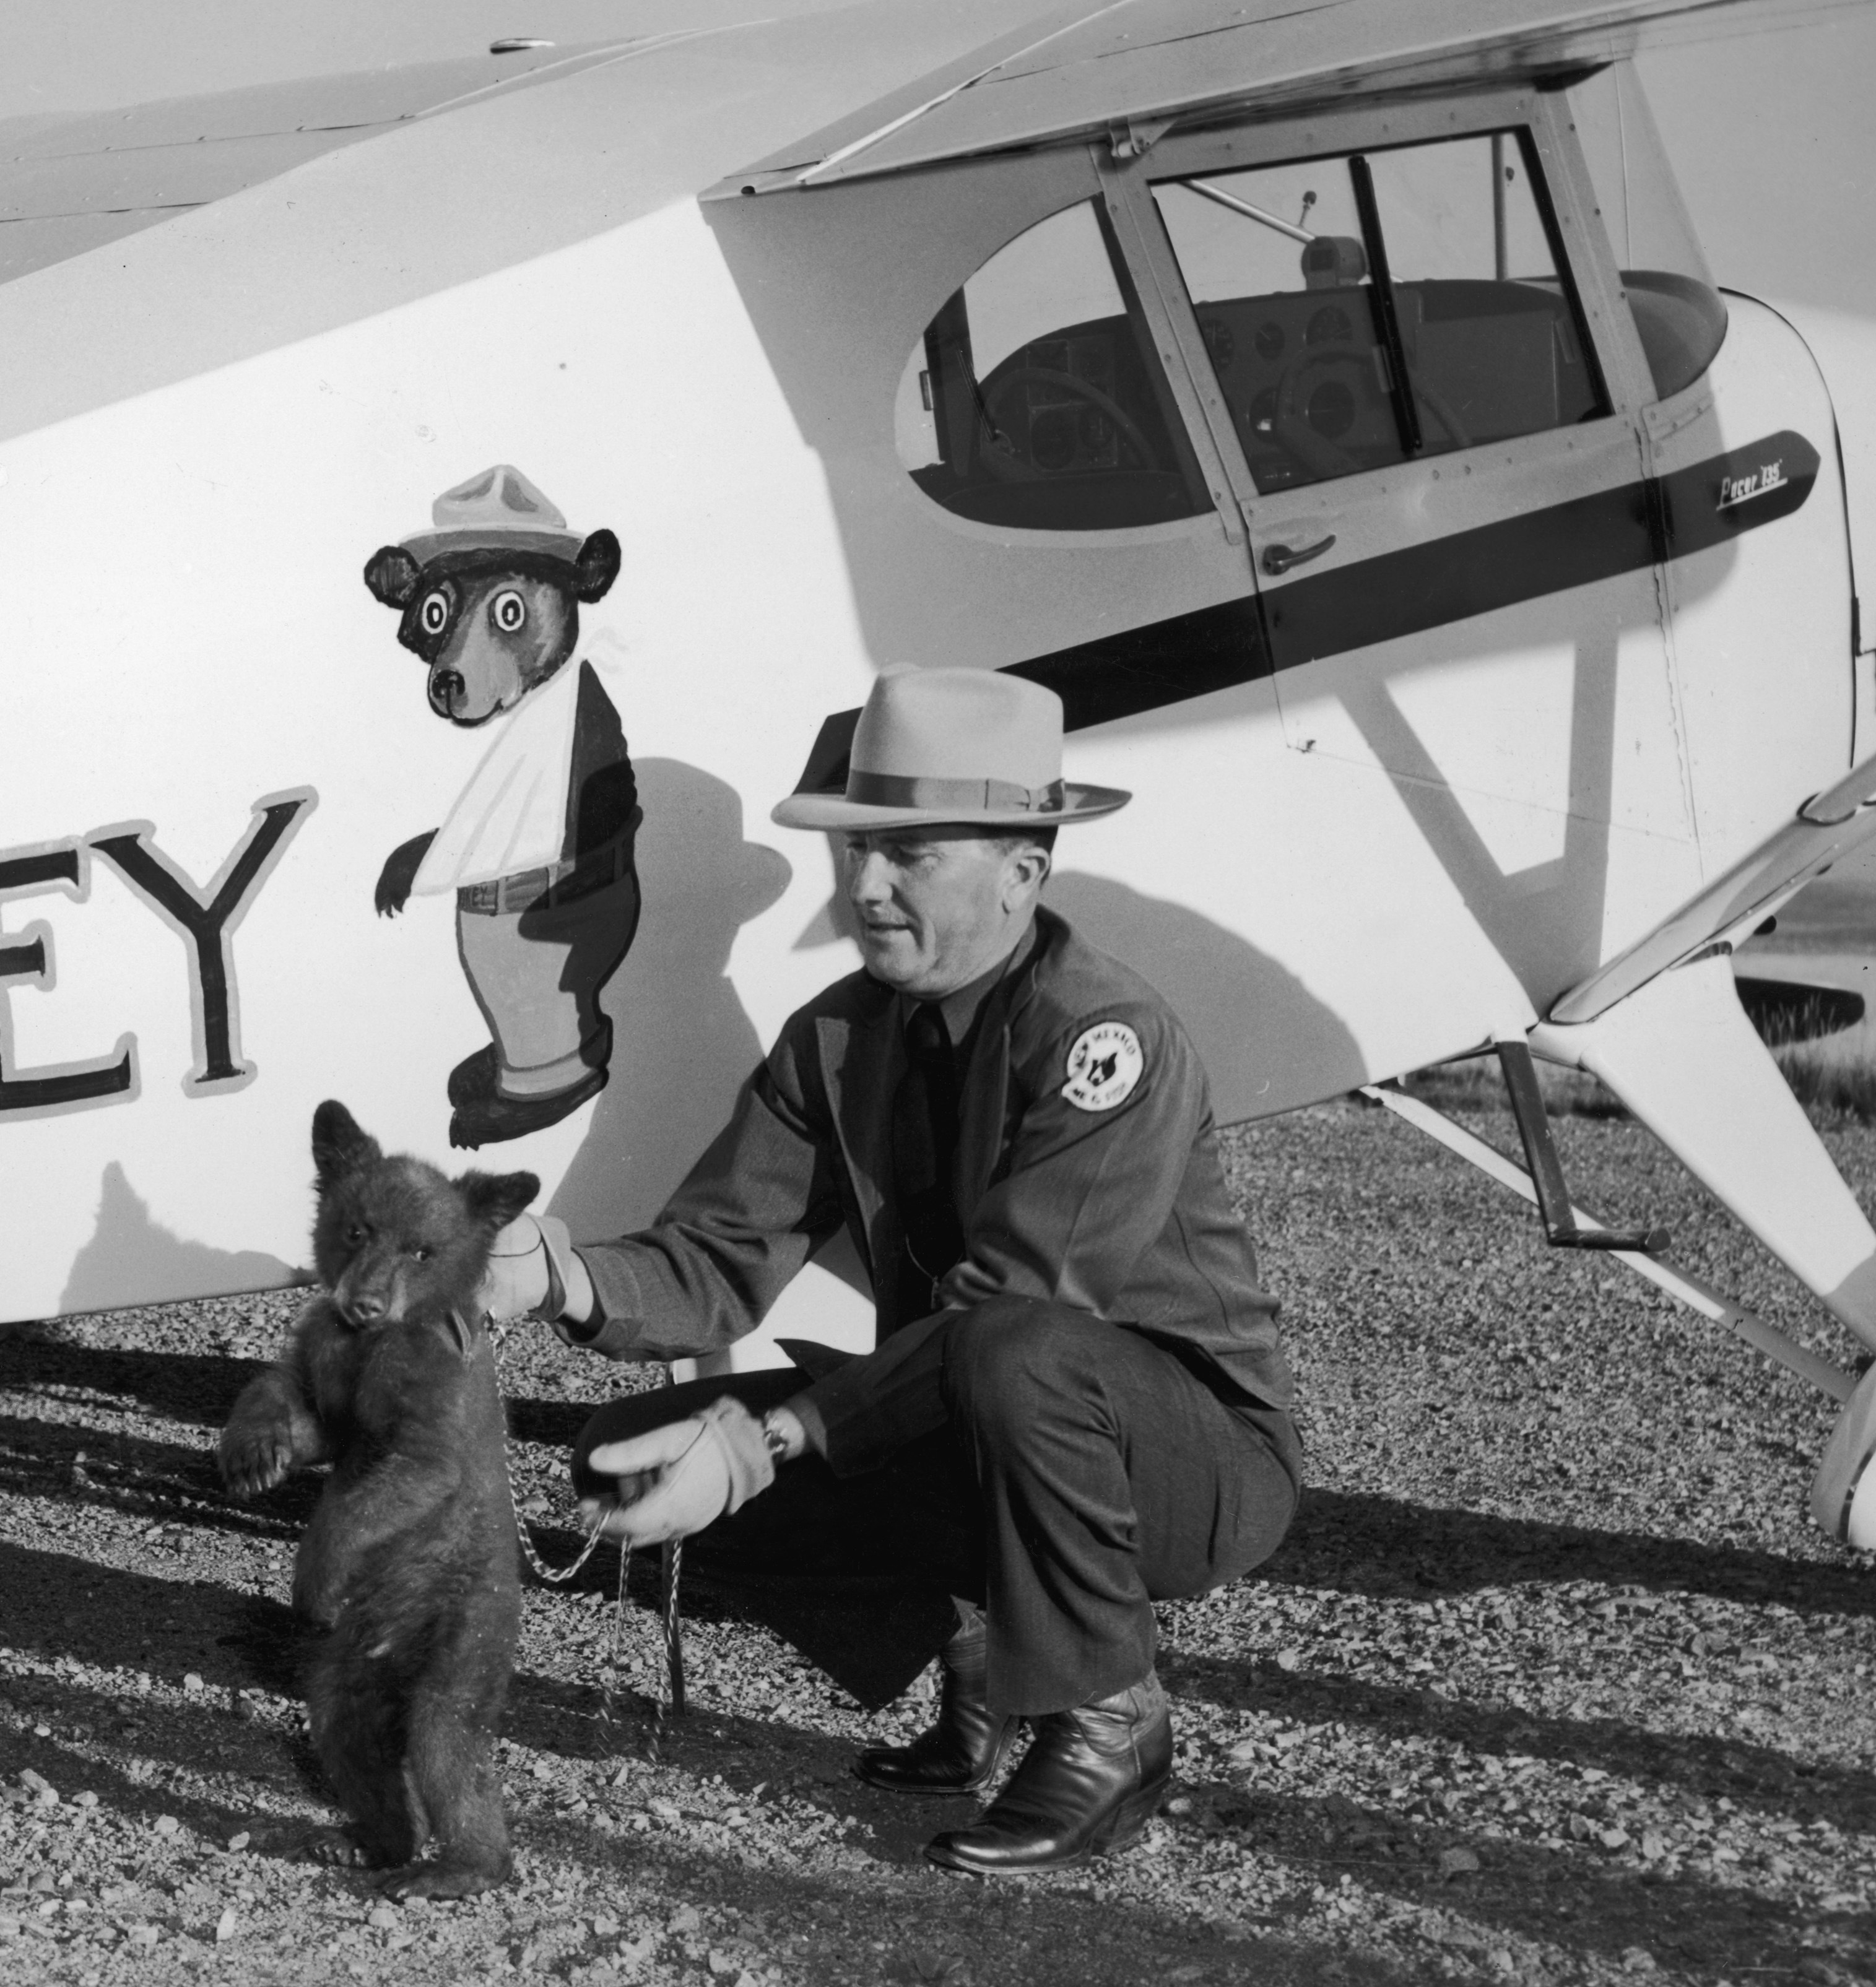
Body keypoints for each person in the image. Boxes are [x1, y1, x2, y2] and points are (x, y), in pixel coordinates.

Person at [484, 665, 1297, 1877]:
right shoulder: (837, 1035)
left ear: (1023, 871)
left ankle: (1110, 1717)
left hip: (1189, 1466)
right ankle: (982, 1667)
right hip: (977, 1411)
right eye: (855, 848)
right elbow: (715, 1258)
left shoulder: (1105, 1038)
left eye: (911, 853)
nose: (862, 886)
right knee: (623, 1443)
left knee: (1006, 1350)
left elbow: (1019, 1308)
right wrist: (565, 1278)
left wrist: (767, 1441)